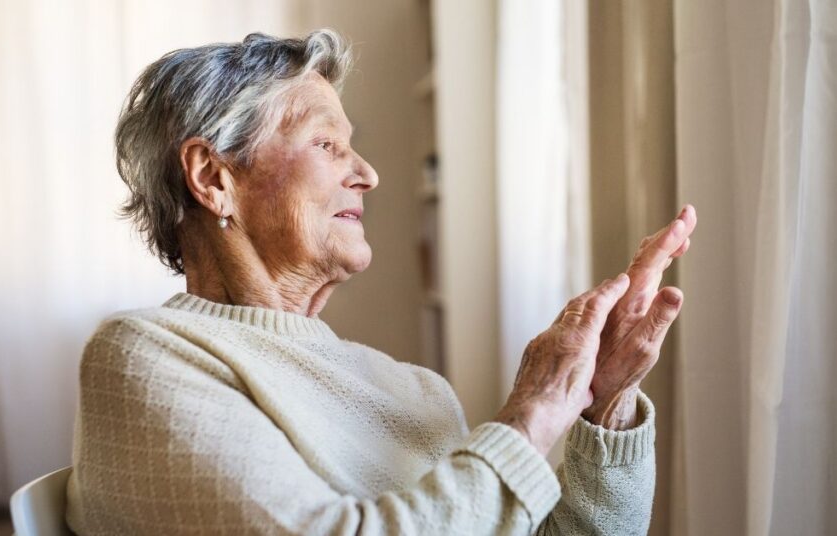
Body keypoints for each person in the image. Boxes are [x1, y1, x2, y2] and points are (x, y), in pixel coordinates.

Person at [65, 29, 698, 535]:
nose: (367, 173)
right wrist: (532, 414)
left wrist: (602, 400)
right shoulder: (145, 358)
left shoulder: (414, 390)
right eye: (327, 144)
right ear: (213, 177)